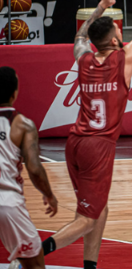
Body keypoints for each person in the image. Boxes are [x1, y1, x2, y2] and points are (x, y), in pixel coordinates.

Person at [40, 0, 132, 269]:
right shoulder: (124, 60)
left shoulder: (82, 57)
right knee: (86, 218)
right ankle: (30, 255)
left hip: (74, 144)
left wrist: (100, 8)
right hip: (98, 147)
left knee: (98, 208)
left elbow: (80, 36)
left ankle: (90, 265)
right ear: (116, 38)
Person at [1, 67, 58, 269]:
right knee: (34, 265)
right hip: (6, 202)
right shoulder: (22, 124)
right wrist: (49, 194)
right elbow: (34, 168)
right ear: (14, 93)